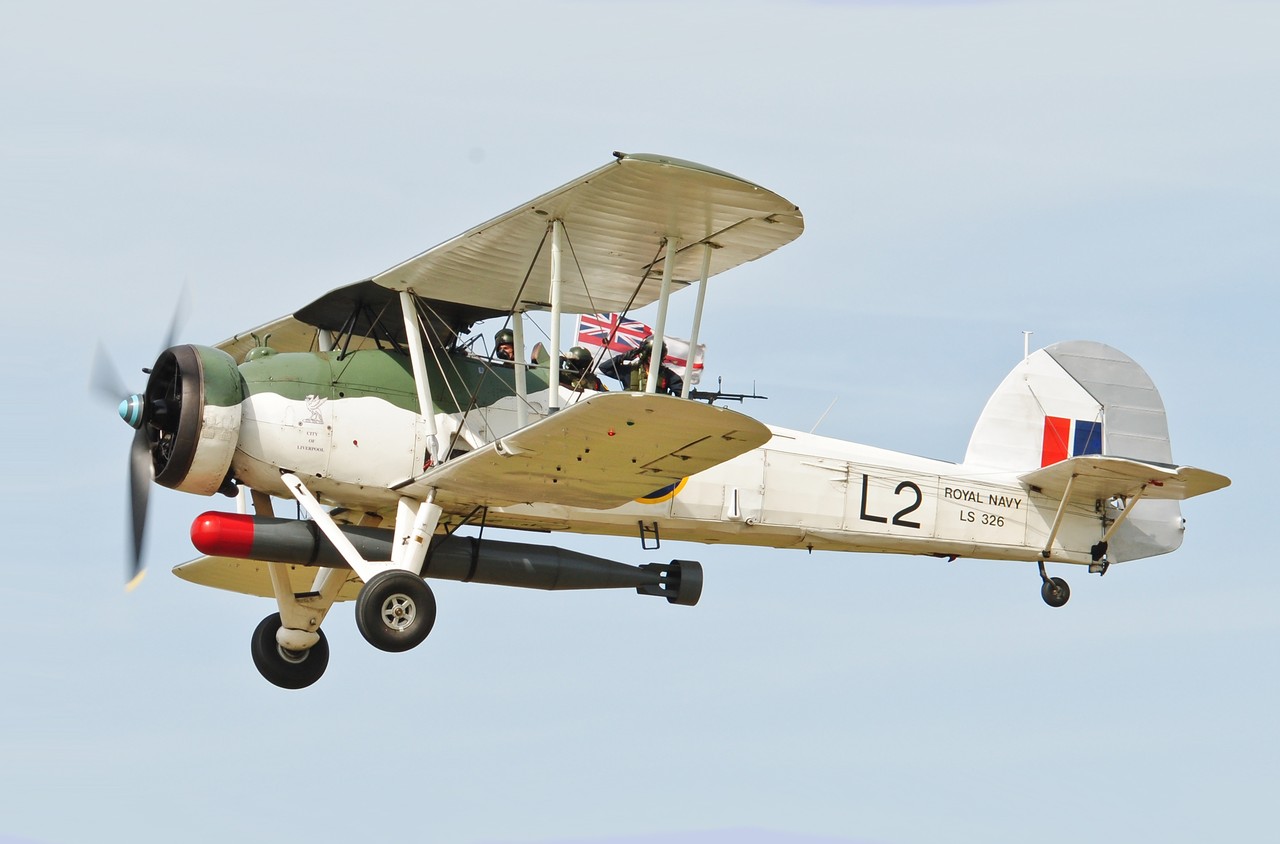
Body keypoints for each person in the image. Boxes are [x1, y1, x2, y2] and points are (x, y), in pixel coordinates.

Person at [598, 336, 683, 395]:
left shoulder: (668, 375)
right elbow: (604, 368)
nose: (652, 358)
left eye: (656, 355)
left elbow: (681, 394)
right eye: (649, 355)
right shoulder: (629, 371)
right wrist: (624, 357)